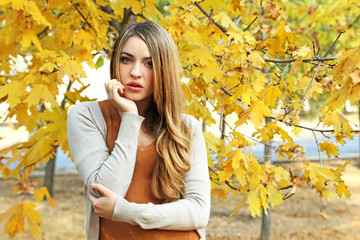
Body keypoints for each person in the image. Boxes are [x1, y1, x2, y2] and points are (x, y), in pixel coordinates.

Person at [67, 21, 211, 240]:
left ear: (165, 69)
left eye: (149, 63)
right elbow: (105, 191)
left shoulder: (186, 127)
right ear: (116, 63)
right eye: (127, 60)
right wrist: (130, 117)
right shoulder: (87, 116)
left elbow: (198, 212)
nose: (135, 72)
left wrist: (124, 211)